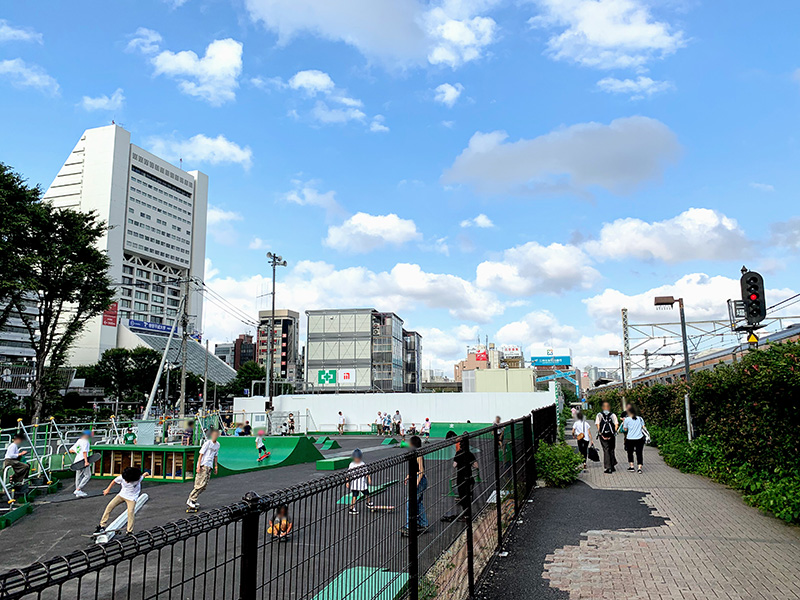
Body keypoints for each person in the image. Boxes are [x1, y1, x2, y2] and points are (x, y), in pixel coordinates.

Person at [96, 466, 147, 535]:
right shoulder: (121, 477)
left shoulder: (138, 479)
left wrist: (145, 474)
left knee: (130, 512)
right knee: (109, 507)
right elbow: (113, 481)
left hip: (132, 498)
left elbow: (142, 476)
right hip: (121, 495)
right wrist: (107, 489)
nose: (126, 481)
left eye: (128, 481)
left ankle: (129, 531)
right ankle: (102, 526)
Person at [187, 429, 220, 510]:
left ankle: (193, 500)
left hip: (210, 466)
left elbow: (215, 456)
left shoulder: (217, 445)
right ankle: (191, 499)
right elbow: (201, 455)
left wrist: (216, 466)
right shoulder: (207, 443)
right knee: (200, 483)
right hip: (204, 465)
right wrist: (198, 466)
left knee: (204, 486)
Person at [401, 436, 428, 535]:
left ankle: (410, 526)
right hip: (419, 480)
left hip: (420, 481)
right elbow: (416, 470)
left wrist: (416, 483)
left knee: (410, 503)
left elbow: (421, 471)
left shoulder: (418, 455)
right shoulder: (415, 453)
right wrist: (408, 476)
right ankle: (423, 523)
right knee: (418, 503)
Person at [453, 435, 478, 522]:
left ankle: (466, 515)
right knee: (467, 496)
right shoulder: (470, 454)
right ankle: (467, 513)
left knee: (463, 496)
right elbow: (476, 466)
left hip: (460, 477)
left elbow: (454, 465)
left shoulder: (458, 453)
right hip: (469, 476)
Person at [595, 401, 619, 474]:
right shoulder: (613, 415)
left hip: (603, 435)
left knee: (606, 450)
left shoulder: (599, 415)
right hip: (611, 435)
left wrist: (601, 433)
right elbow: (616, 424)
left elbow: (597, 424)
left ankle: (608, 467)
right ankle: (612, 465)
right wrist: (613, 433)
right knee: (611, 449)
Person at [346, 449, 373, 514]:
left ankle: (368, 502)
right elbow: (348, 474)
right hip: (355, 484)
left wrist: (369, 478)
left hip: (362, 483)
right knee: (354, 496)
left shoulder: (362, 464)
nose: (357, 459)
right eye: (356, 458)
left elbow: (366, 473)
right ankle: (352, 508)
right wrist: (347, 481)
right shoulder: (352, 464)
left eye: (358, 458)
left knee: (366, 493)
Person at [622, 406, 646, 473]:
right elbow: (643, 427)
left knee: (630, 453)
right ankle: (639, 468)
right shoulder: (640, 419)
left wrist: (624, 423)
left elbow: (625, 429)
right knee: (639, 453)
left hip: (630, 438)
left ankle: (632, 467)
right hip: (639, 438)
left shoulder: (627, 419)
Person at [70, 430, 93, 497]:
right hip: (83, 460)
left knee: (78, 476)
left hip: (77, 460)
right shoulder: (86, 442)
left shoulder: (79, 441)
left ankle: (78, 492)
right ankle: (78, 489)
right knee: (87, 475)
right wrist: (86, 461)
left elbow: (71, 450)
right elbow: (84, 452)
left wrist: (77, 452)